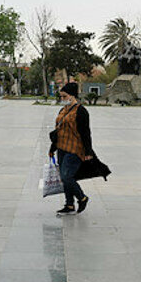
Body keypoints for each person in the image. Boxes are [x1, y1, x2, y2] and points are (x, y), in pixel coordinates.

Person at [48, 82, 93, 216]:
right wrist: (52, 148)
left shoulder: (81, 111)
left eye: (64, 96)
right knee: (64, 177)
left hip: (75, 148)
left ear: (72, 96)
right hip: (61, 147)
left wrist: (88, 152)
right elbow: (58, 131)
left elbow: (86, 132)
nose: (62, 99)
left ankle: (82, 198)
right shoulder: (63, 110)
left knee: (67, 176)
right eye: (61, 96)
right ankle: (69, 204)